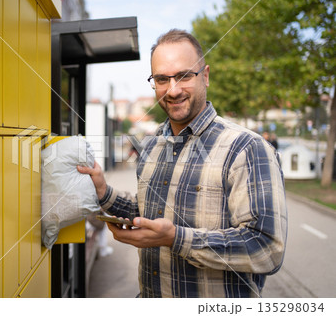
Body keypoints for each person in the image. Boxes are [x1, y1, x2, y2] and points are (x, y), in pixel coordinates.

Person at [78, 29, 287, 298]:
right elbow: (148, 213)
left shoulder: (246, 147)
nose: (173, 90)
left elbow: (267, 248)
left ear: (206, 76)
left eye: (184, 75)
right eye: (162, 79)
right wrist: (103, 191)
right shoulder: (152, 146)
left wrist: (176, 239)